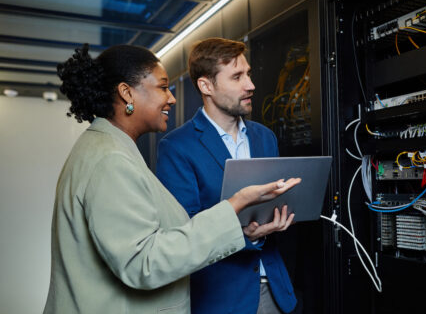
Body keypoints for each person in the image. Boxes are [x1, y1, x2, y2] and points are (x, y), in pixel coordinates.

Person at [43, 43, 300, 314]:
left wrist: (245, 229)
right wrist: (233, 207)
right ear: (126, 93)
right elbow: (143, 263)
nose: (173, 98)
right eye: (163, 87)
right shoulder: (111, 160)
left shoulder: (109, 149)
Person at [156, 37, 297, 314]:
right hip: (221, 298)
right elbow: (183, 233)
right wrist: (248, 236)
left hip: (276, 290)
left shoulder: (264, 137)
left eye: (248, 74)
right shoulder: (177, 147)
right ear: (206, 86)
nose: (251, 85)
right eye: (237, 77)